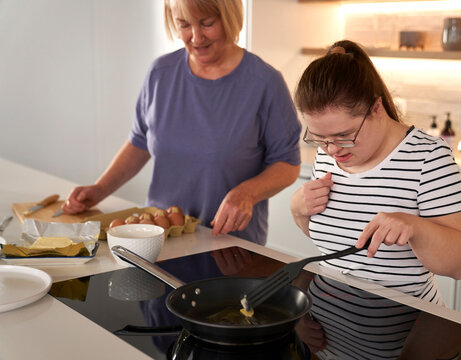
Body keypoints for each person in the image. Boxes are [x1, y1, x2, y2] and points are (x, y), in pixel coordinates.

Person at [61, 0, 301, 245]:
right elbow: (140, 141)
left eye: (207, 24)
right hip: (157, 241)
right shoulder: (160, 73)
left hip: (229, 246)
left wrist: (247, 193)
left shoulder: (264, 83)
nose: (196, 38)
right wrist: (100, 189)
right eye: (184, 24)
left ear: (230, 18)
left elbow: (288, 164)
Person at [290, 40, 461, 304]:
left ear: (376, 108)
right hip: (329, 323)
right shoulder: (329, 152)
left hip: (404, 331)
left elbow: (459, 265)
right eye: (319, 137)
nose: (331, 149)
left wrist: (415, 227)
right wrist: (298, 210)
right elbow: (335, 241)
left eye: (344, 135)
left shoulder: (427, 158)